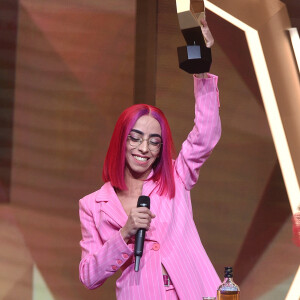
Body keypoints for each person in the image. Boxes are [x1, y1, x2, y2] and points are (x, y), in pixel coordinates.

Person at [79, 20, 221, 300]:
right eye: (135, 138)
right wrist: (124, 234)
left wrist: (202, 72)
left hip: (194, 292)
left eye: (154, 141)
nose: (144, 148)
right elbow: (88, 276)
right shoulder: (93, 205)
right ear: (121, 140)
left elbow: (205, 134)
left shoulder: (176, 178)